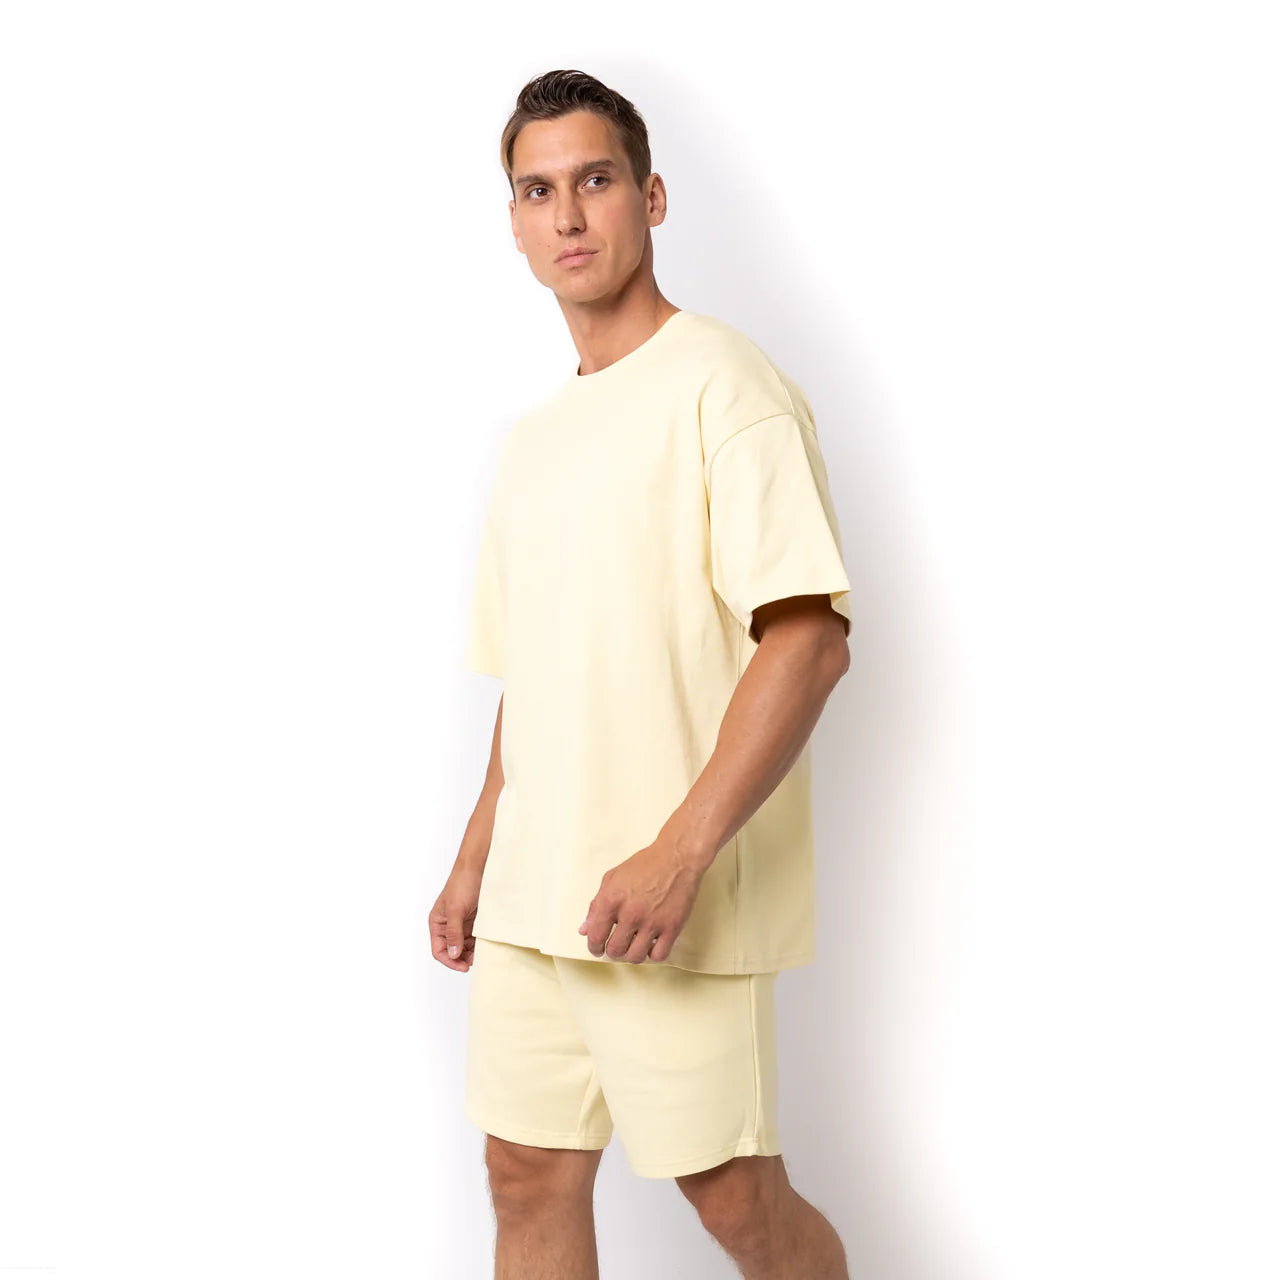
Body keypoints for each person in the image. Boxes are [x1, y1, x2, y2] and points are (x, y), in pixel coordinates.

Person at [431, 68, 854, 1279]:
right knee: (524, 1172)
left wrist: (678, 853)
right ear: (514, 223)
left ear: (650, 197)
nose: (567, 214)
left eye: (595, 180)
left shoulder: (727, 385)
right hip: (531, 899)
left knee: (733, 1198)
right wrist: (474, 857)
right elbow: (534, 674)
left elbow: (807, 639)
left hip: (669, 895)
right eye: (537, 191)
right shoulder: (533, 440)